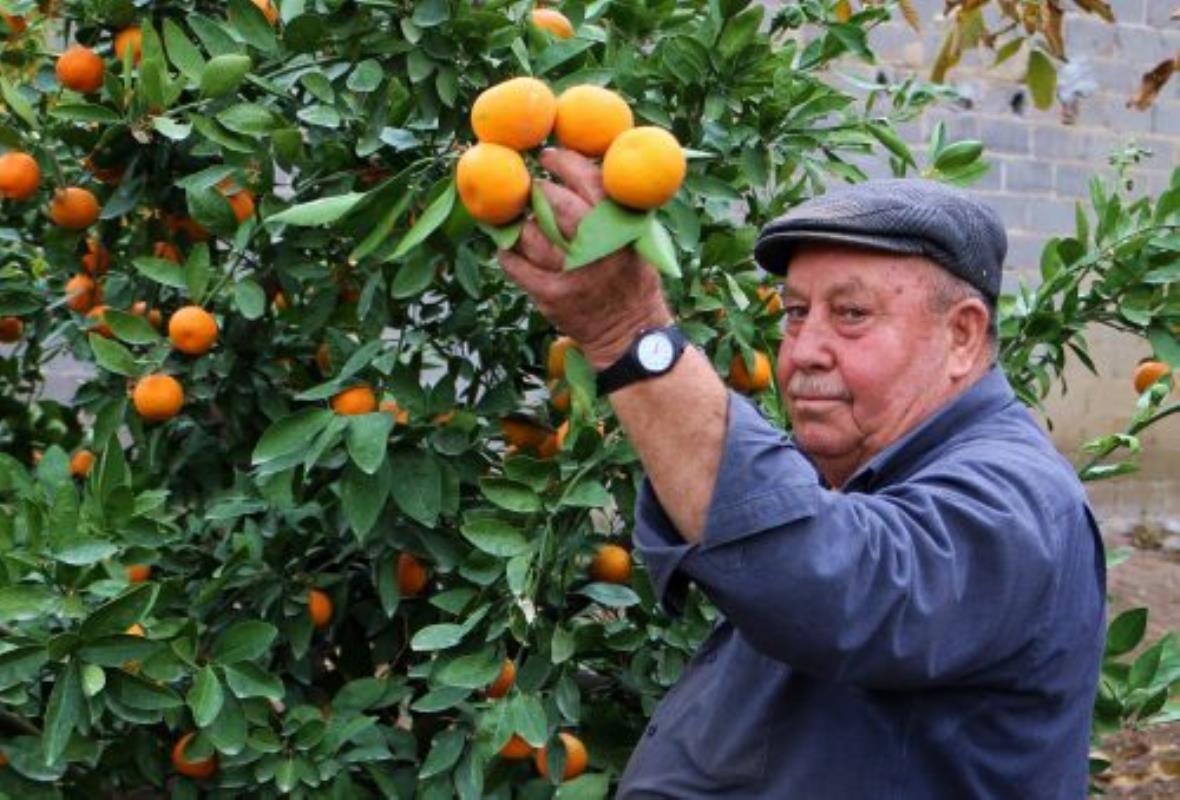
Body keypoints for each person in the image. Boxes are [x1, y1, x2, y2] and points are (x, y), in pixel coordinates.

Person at [499, 151, 1106, 799]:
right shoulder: (861, 470)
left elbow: (836, 583)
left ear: (961, 337)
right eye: (795, 313)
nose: (804, 350)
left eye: (851, 315)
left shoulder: (1021, 501)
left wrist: (630, 332)